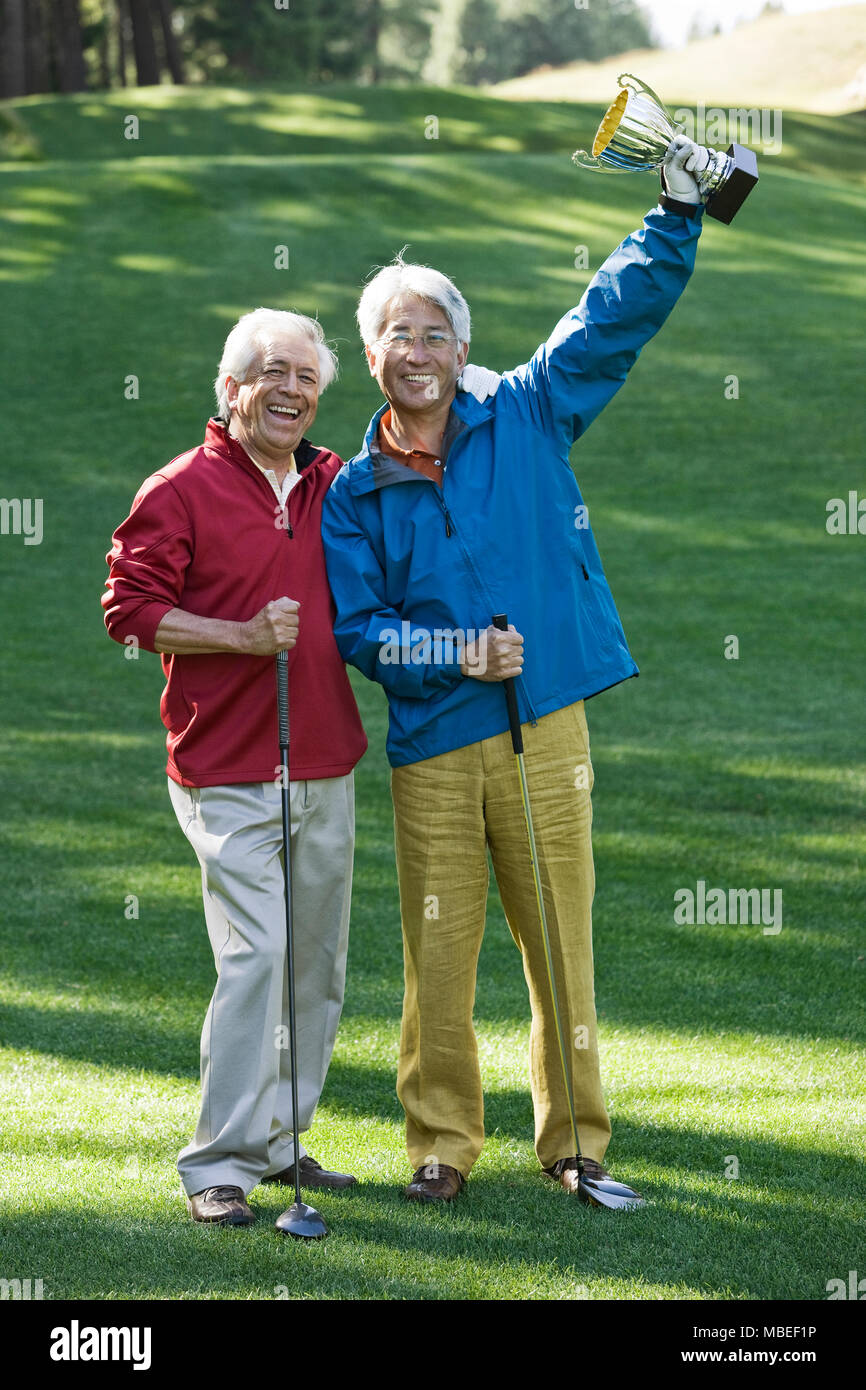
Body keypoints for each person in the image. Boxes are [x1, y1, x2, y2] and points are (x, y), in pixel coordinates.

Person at [320, 139, 710, 1203]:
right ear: (371, 356)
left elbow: (606, 321)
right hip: (434, 749)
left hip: (548, 729)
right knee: (436, 965)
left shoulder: (530, 411)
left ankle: (576, 1143)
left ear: (461, 348)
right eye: (396, 332)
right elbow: (360, 633)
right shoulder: (353, 493)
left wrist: (672, 216)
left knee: (560, 949)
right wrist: (456, 652)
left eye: (434, 331)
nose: (417, 348)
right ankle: (439, 1145)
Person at [102, 309, 499, 1226]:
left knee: (315, 965)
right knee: (260, 956)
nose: (289, 390)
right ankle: (217, 1161)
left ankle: (280, 1142)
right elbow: (130, 609)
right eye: (270, 373)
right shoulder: (180, 488)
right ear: (231, 388)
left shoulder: (335, 484)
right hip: (226, 768)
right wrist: (238, 638)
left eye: (306, 377)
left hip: (325, 761)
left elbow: (430, 440)